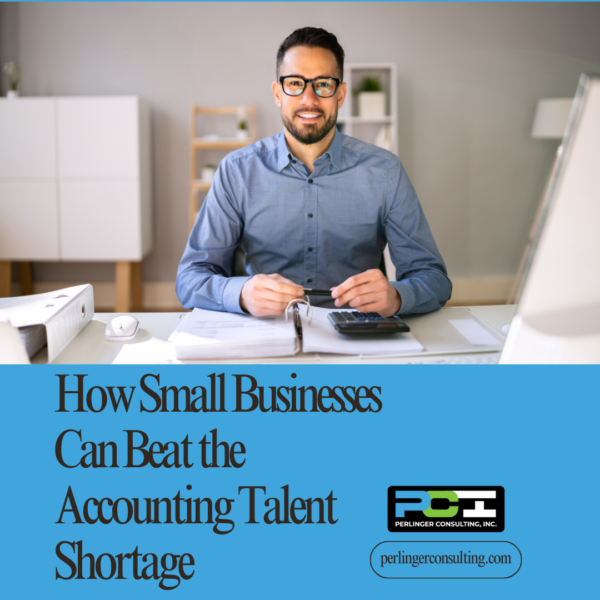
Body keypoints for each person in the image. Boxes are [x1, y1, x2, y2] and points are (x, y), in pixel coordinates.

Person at [176, 27, 452, 318]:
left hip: (358, 338)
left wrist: (397, 296)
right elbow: (189, 280)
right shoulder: (236, 171)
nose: (309, 98)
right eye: (295, 83)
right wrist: (242, 294)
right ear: (277, 93)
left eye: (323, 84)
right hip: (267, 334)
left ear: (341, 94)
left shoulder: (385, 171)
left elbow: (433, 278)